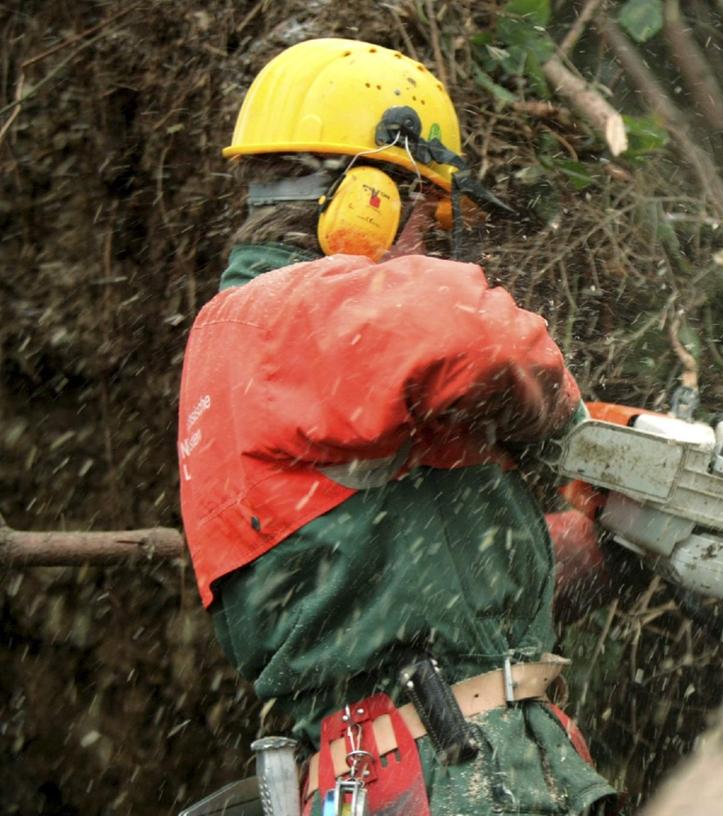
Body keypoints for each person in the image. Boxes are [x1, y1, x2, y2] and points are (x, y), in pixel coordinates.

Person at [177, 38, 616, 815]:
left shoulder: (293, 346)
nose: (428, 242)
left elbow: (411, 570)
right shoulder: (281, 314)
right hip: (446, 773)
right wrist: (573, 429)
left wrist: (609, 527)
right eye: (426, 210)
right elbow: (485, 340)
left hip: (439, 761)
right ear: (367, 199)